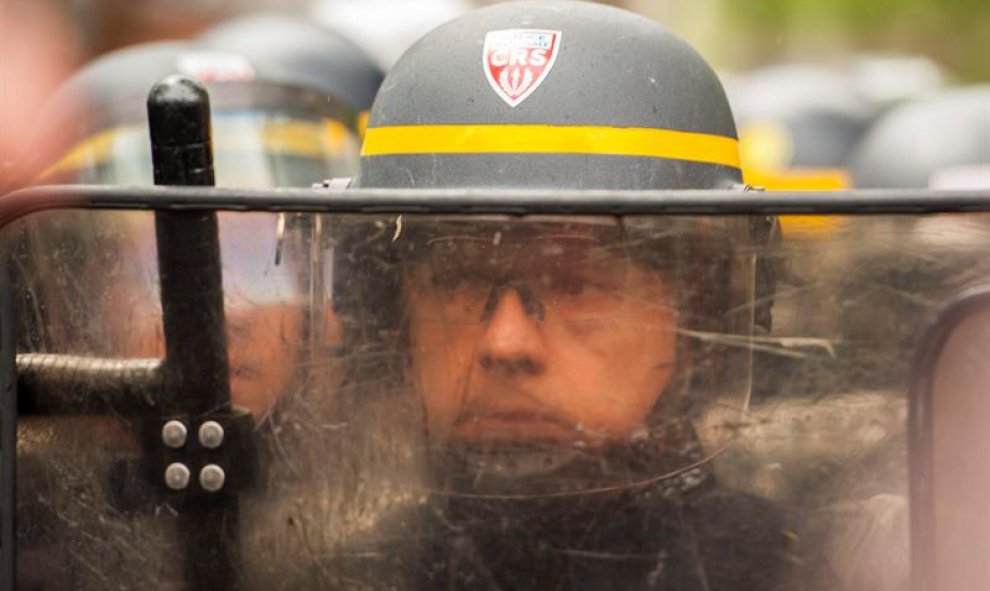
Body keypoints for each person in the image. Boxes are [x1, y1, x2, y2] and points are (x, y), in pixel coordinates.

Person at [293, 2, 807, 589]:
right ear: (381, 312)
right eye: (460, 281)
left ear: (699, 320)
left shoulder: (802, 572)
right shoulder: (327, 574)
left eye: (575, 283)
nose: (505, 342)